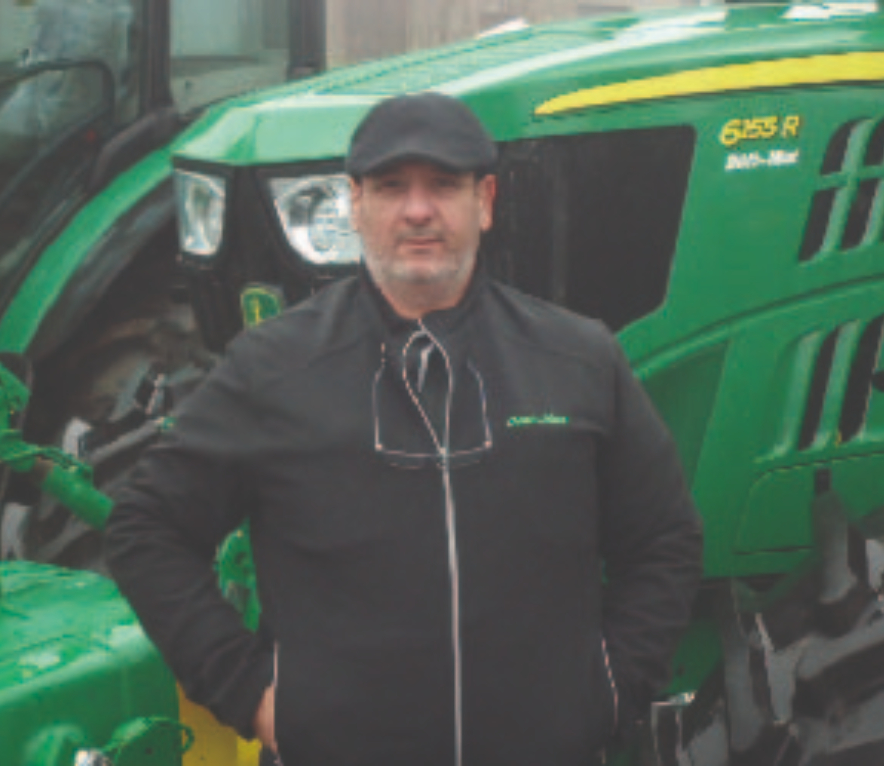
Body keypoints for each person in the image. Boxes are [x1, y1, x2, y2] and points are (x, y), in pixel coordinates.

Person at [106, 91, 702, 766]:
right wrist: (250, 694)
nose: (418, 210)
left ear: (485, 201)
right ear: (355, 204)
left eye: (443, 184)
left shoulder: (579, 359)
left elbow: (664, 540)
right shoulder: (273, 370)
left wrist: (611, 692)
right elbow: (146, 528)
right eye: (392, 187)